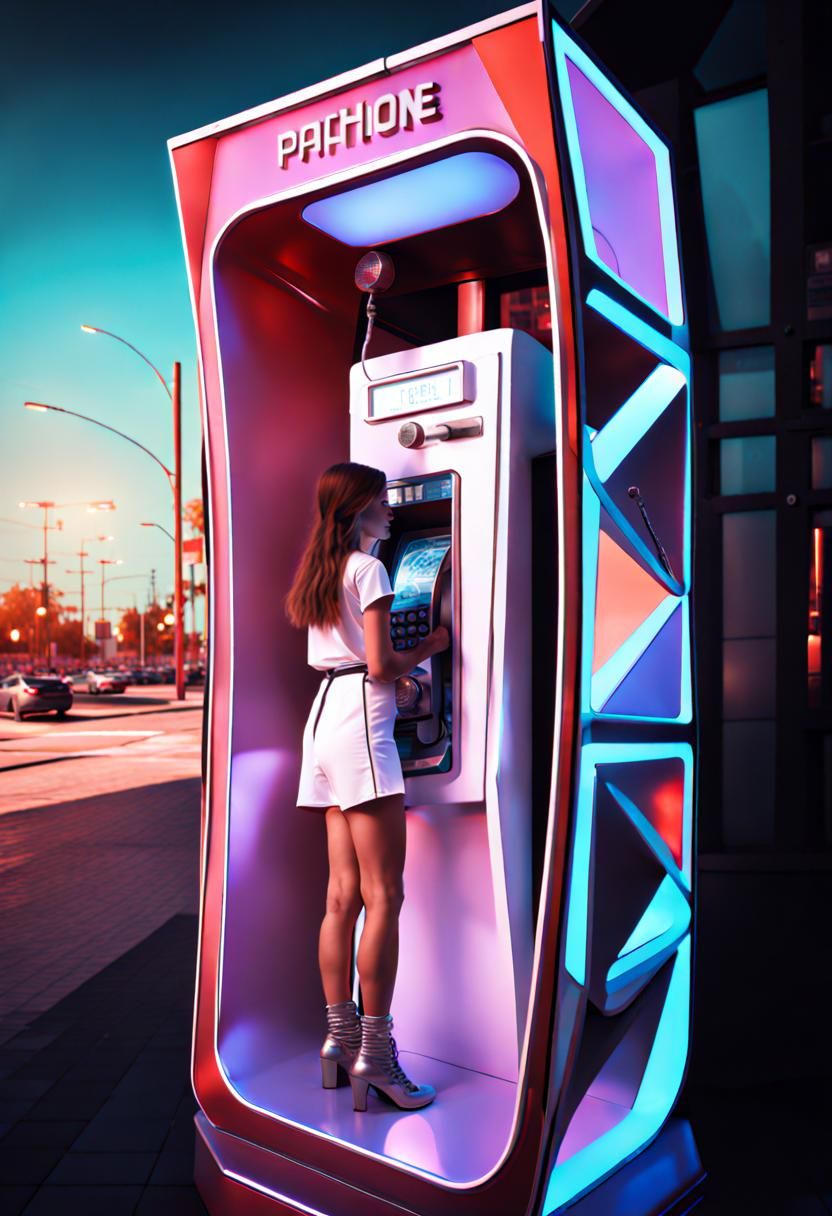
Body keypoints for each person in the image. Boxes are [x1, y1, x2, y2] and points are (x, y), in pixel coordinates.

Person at [285, 461, 449, 1112]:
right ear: (357, 511)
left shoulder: (319, 572)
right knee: (385, 894)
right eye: (382, 503)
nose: (392, 513)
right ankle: (377, 1061)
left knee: (341, 896)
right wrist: (430, 644)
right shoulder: (370, 569)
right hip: (360, 717)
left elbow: (346, 658)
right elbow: (380, 663)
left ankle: (339, 1042)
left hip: (323, 717)